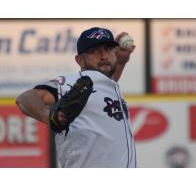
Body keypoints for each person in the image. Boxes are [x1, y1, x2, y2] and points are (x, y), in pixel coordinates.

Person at [16, 27, 136, 168]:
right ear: (80, 60)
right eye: (95, 51)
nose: (104, 56)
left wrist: (120, 62)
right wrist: (48, 116)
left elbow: (101, 89)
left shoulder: (108, 86)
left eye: (108, 49)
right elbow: (24, 98)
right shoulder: (74, 82)